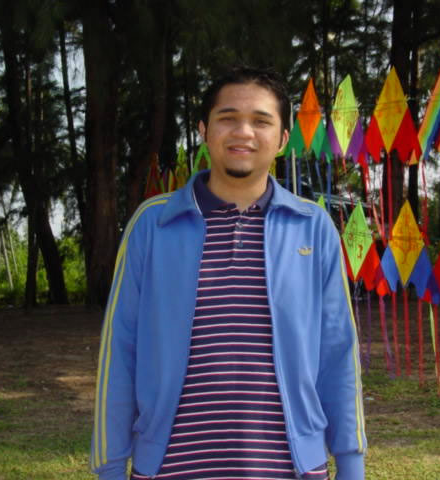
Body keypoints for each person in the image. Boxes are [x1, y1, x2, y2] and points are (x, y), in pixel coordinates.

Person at [90, 66, 366, 480]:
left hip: (291, 469)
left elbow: (338, 352)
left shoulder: (312, 226)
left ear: (283, 139)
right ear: (204, 130)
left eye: (261, 121)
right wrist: (110, 467)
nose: (243, 132)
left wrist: (351, 463)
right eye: (228, 118)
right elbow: (120, 351)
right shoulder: (153, 224)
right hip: (170, 468)